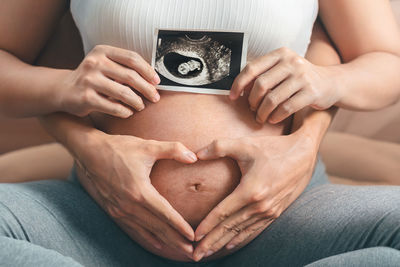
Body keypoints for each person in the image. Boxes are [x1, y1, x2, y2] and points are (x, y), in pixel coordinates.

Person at [0, 0, 400, 266]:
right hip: (101, 218)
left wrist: (328, 81)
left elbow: (388, 62)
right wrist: (62, 88)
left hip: (287, 217)